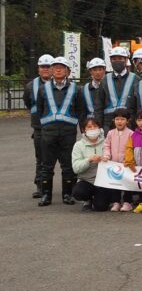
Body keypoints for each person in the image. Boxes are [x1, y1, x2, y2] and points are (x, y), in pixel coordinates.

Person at [36, 56, 83, 207]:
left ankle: (67, 194)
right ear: (51, 70)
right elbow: (39, 110)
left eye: (62, 67)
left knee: (68, 165)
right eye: (55, 67)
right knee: (46, 165)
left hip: (68, 133)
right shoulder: (43, 89)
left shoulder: (76, 89)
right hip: (48, 133)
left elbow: (80, 110)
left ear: (68, 71)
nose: (58, 69)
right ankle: (46, 195)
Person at [71, 117, 118, 212]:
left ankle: (101, 199)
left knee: (101, 207)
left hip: (103, 182)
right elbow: (76, 168)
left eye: (95, 126)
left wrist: (106, 159)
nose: (92, 129)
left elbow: (115, 160)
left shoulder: (106, 142)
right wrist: (89, 160)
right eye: (89, 127)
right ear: (83, 130)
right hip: (87, 180)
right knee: (78, 192)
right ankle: (87, 200)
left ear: (100, 128)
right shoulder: (78, 145)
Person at [23, 53, 54, 199]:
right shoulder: (30, 86)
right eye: (43, 66)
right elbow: (28, 103)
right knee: (41, 159)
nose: (45, 69)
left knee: (63, 160)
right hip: (39, 128)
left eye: (48, 66)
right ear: (38, 69)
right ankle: (41, 186)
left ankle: (68, 188)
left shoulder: (61, 83)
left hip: (57, 127)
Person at [99, 46, 138, 130]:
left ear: (126, 60)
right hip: (109, 124)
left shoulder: (136, 79)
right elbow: (99, 105)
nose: (117, 61)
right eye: (114, 59)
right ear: (110, 61)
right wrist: (99, 126)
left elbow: (138, 104)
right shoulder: (105, 80)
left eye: (120, 58)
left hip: (130, 124)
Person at [102, 107, 132, 211]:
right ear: (113, 120)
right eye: (117, 119)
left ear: (127, 121)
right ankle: (116, 202)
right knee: (115, 184)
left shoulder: (131, 133)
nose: (119, 121)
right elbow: (106, 146)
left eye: (122, 119)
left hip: (126, 163)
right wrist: (107, 155)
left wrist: (128, 159)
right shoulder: (110, 133)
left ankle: (127, 202)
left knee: (127, 183)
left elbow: (132, 148)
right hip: (114, 163)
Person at [78, 58, 105, 129]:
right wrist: (83, 128)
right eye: (95, 70)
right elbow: (82, 112)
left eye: (100, 69)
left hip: (106, 124)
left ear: (104, 70)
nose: (97, 72)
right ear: (90, 71)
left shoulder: (109, 86)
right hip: (90, 126)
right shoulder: (84, 89)